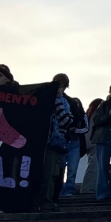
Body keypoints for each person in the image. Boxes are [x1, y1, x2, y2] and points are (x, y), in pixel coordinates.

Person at [41, 79, 75, 211]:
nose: (59, 90)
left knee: (56, 172)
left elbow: (69, 119)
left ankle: (51, 199)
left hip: (60, 140)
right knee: (50, 173)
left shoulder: (65, 102)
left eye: (61, 87)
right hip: (51, 141)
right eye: (57, 87)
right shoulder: (55, 101)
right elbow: (66, 120)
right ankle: (47, 201)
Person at [53, 74, 87, 198]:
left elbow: (81, 118)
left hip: (71, 137)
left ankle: (67, 189)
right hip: (63, 137)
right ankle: (64, 189)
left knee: (68, 167)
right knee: (63, 167)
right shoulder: (58, 100)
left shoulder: (73, 101)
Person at [79, 97, 104, 196]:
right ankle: (88, 188)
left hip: (89, 143)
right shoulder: (96, 114)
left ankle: (89, 188)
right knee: (94, 167)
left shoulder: (89, 114)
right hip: (94, 143)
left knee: (93, 166)